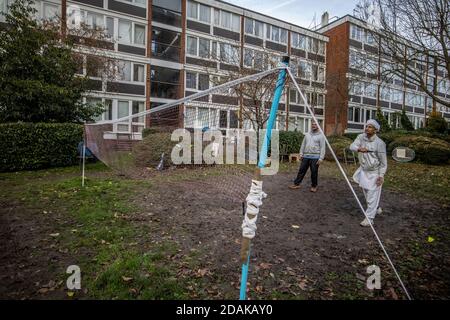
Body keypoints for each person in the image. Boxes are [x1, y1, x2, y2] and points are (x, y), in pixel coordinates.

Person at [350, 119, 387, 227]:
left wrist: (381, 176)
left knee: (372, 195)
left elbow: (383, 163)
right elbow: (352, 146)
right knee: (367, 195)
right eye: (366, 126)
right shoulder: (361, 137)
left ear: (375, 130)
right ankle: (376, 208)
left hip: (374, 173)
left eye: (370, 127)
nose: (367, 128)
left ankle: (369, 218)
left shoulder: (380, 143)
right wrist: (359, 149)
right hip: (363, 171)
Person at [289, 121, 326, 192]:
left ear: (318, 126)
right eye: (312, 124)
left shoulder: (321, 136)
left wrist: (321, 158)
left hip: (315, 157)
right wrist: (301, 154)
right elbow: (303, 144)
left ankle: (314, 186)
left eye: (315, 124)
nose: (314, 125)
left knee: (314, 172)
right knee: (301, 171)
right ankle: (296, 184)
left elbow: (322, 148)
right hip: (305, 156)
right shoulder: (307, 134)